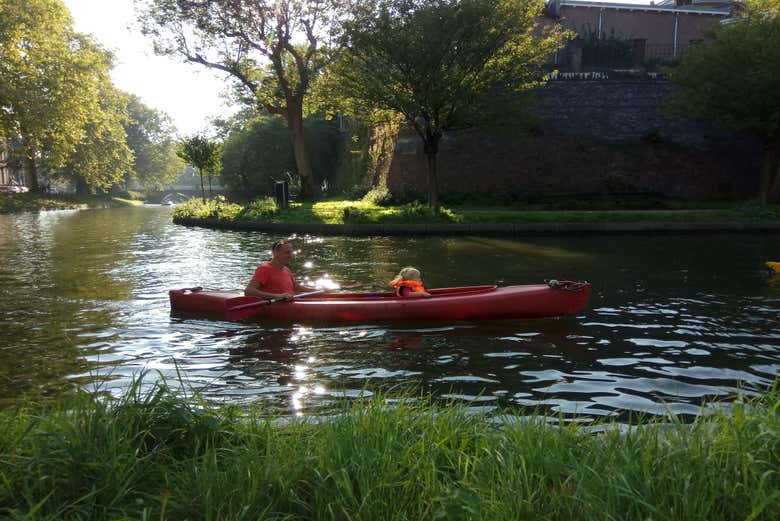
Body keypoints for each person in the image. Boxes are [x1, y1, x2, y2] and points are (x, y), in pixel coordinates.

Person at [244, 239, 316, 300]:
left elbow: (297, 287)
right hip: (276, 305)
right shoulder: (264, 269)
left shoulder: (286, 269)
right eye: (287, 252)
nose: (290, 255)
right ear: (275, 252)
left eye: (291, 252)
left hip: (292, 301)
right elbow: (249, 291)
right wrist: (278, 296)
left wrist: (318, 290)